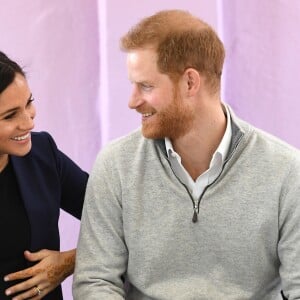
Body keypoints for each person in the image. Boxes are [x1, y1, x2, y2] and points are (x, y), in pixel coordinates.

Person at [73, 9, 300, 300]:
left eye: (146, 85)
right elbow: (95, 281)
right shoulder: (116, 166)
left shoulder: (287, 172)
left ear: (190, 83)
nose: (132, 101)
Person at [0, 51, 88, 299]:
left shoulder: (42, 154)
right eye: (9, 116)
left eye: (28, 103)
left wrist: (69, 261)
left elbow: (121, 219)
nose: (28, 122)